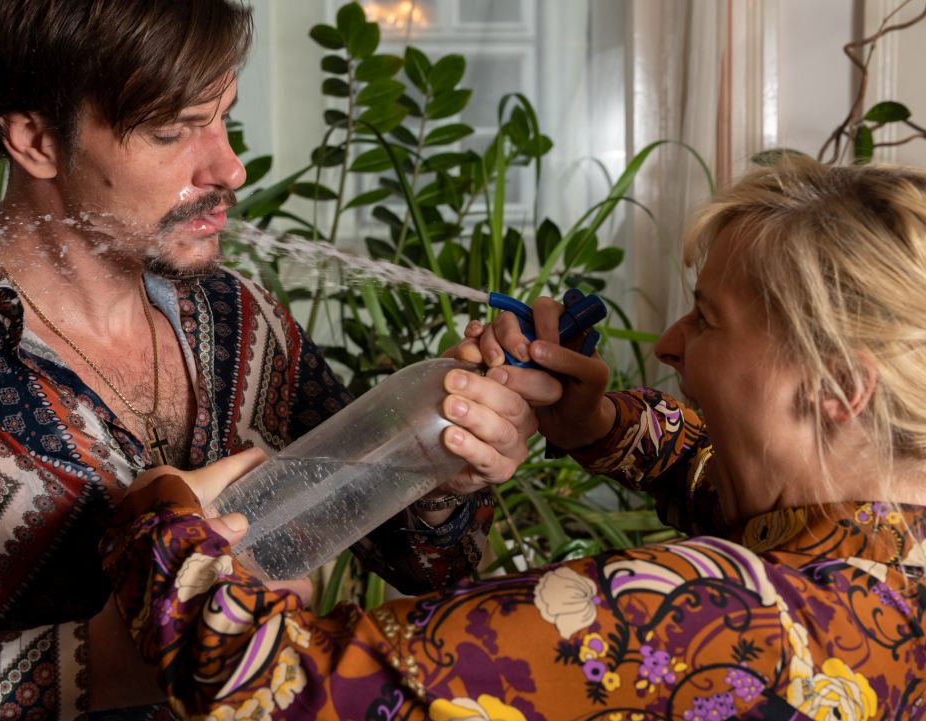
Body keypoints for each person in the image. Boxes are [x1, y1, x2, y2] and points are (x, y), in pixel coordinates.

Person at [0, 1, 538, 719]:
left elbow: (420, 564)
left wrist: (445, 467)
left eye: (223, 116)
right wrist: (88, 666)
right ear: (36, 141)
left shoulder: (244, 317)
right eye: (171, 131)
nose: (229, 168)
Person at [99, 157, 926, 720]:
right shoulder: (881, 563)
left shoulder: (696, 613)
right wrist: (599, 427)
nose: (670, 345)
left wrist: (163, 515)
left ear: (836, 386)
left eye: (707, 320)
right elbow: (717, 474)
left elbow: (267, 686)